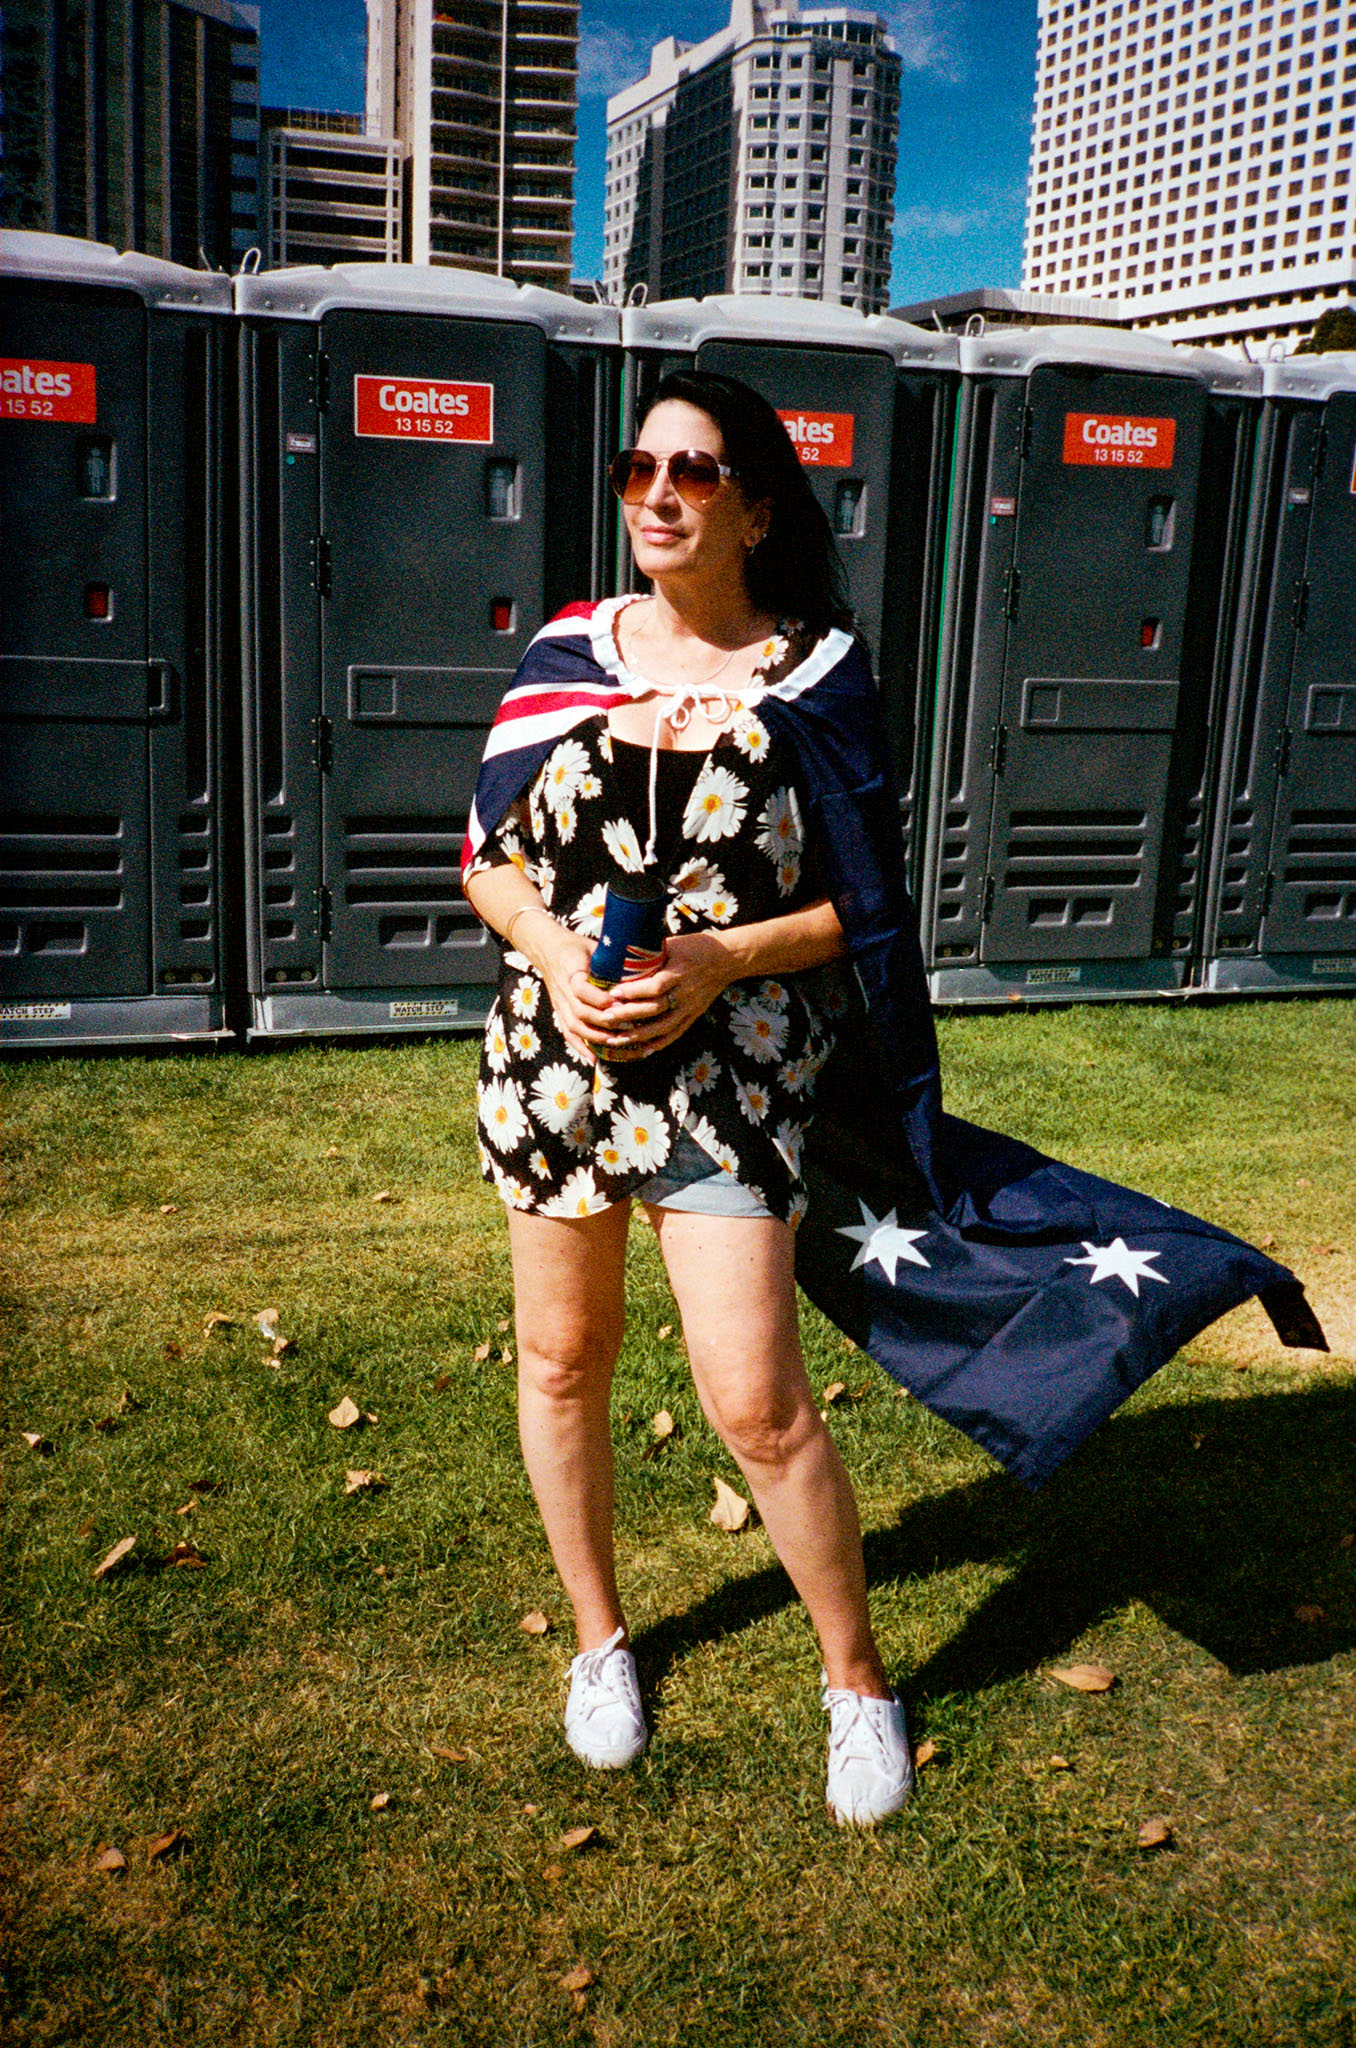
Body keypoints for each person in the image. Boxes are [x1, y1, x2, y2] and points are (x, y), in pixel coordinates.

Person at [462, 369, 915, 1826]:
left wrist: (719, 960)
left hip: (729, 1079)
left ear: (757, 508)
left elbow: (866, 907)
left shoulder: (819, 675)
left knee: (759, 1405)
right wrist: (555, 960)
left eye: (696, 472)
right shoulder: (566, 653)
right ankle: (600, 1644)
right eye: (639, 469)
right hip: (557, 1067)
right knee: (560, 1363)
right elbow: (486, 859)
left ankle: (857, 1683)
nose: (659, 495)